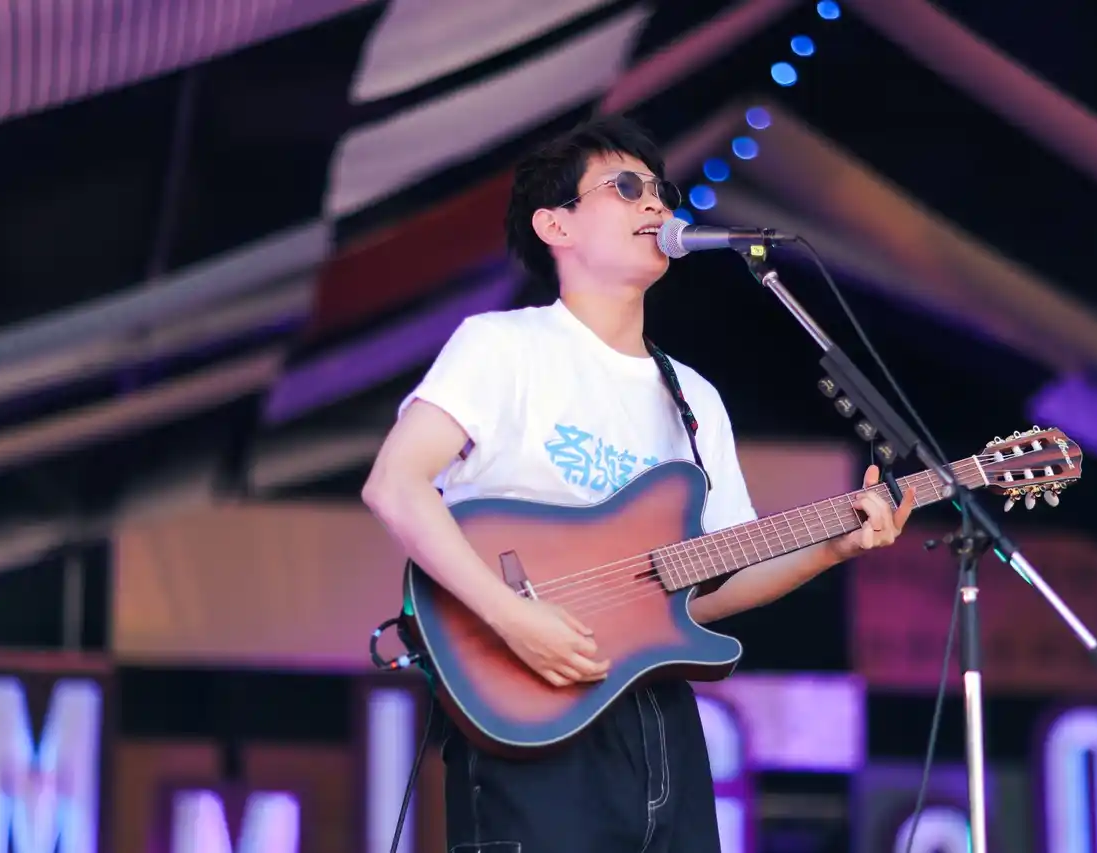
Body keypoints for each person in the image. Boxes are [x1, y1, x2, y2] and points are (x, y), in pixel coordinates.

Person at [362, 115, 914, 853]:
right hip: (533, 712)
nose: (655, 203)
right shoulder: (503, 347)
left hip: (662, 722)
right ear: (555, 225)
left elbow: (708, 587)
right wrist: (510, 615)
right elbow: (395, 485)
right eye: (625, 187)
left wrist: (833, 547)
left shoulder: (693, 397)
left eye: (661, 190)